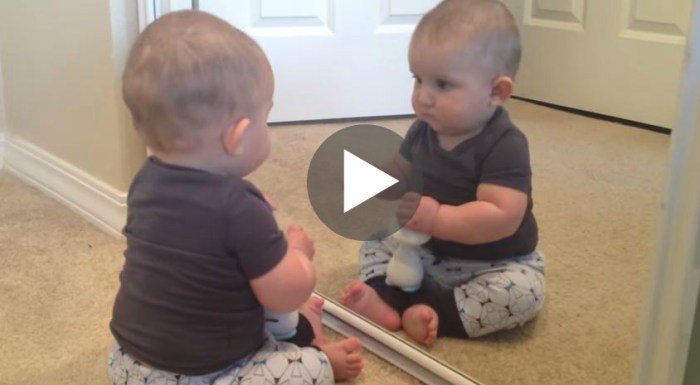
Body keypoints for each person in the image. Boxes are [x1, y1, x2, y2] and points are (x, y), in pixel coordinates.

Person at [108, 10, 363, 385]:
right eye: (266, 118)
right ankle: (324, 362)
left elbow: (198, 244)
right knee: (302, 367)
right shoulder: (239, 209)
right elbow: (284, 295)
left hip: (129, 364)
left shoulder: (145, 181)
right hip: (207, 373)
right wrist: (298, 254)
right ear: (238, 136)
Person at [341, 0, 546, 347]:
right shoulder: (423, 130)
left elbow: (503, 216)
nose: (423, 97)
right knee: (374, 239)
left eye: (443, 84)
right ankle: (384, 298)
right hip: (423, 251)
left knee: (524, 294)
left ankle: (433, 310)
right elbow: (403, 172)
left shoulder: (505, 144)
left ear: (496, 92)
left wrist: (438, 217)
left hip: (490, 263)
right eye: (418, 79)